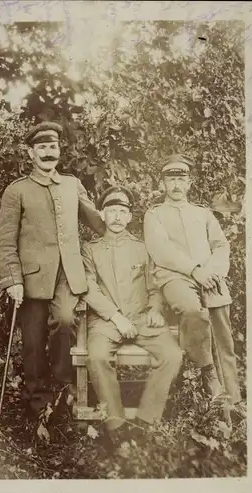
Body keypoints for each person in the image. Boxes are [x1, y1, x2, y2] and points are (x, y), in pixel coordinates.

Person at [0, 121, 105, 438]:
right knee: (31, 343)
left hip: (68, 275)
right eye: (41, 148)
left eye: (52, 147)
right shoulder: (17, 191)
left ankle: (63, 386)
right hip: (29, 280)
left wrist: (117, 223)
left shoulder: (72, 184)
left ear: (59, 151)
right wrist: (12, 279)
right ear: (30, 153)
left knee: (66, 321)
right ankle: (38, 403)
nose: (48, 153)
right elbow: (4, 241)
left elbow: (97, 222)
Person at [143, 153, 243, 425]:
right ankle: (207, 371)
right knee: (191, 309)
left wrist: (214, 272)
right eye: (171, 179)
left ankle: (231, 405)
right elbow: (161, 251)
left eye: (181, 178)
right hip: (176, 278)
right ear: (162, 183)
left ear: (190, 183)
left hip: (210, 276)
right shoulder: (154, 215)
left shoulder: (203, 213)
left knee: (224, 337)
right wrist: (195, 271)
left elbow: (221, 246)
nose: (176, 184)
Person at [81, 186, 183, 448]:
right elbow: (88, 289)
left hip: (141, 318)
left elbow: (155, 287)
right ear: (102, 215)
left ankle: (145, 422)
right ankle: (115, 425)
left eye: (122, 212)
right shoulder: (90, 250)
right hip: (106, 321)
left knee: (173, 355)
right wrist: (116, 318)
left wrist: (155, 310)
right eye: (111, 211)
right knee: (97, 356)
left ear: (129, 217)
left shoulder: (142, 248)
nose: (117, 216)